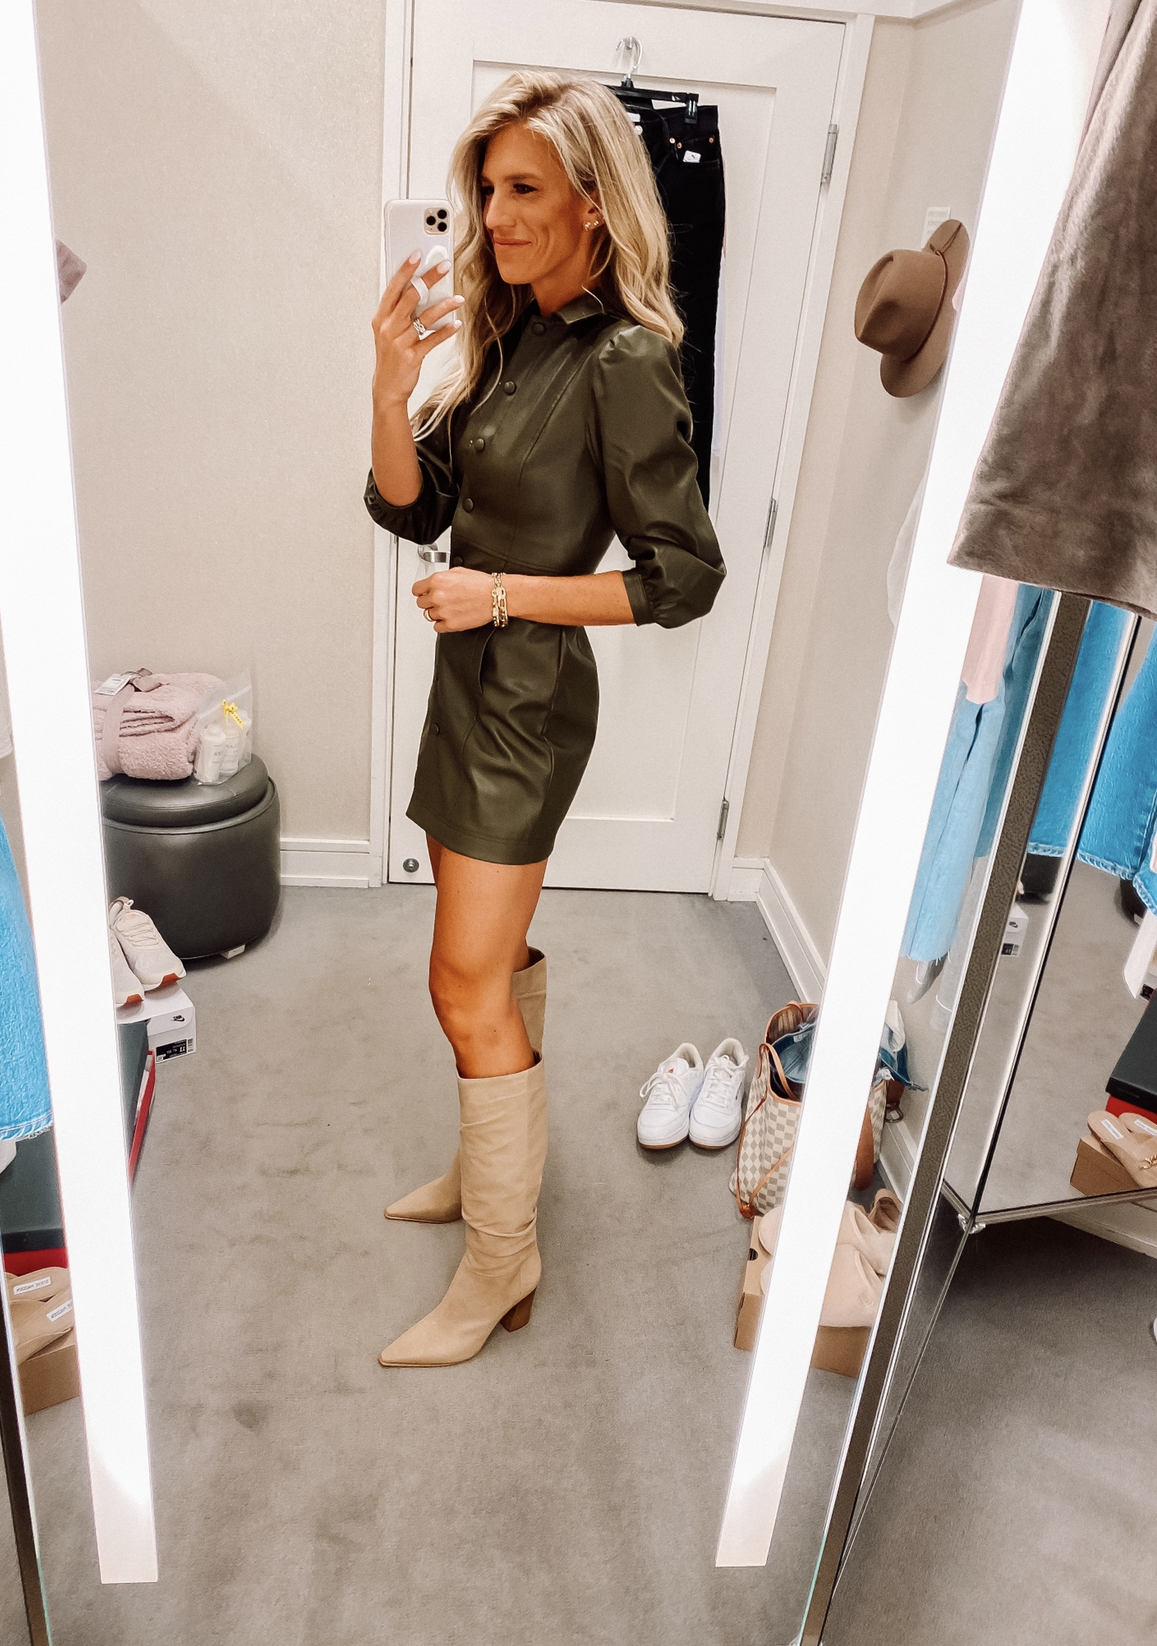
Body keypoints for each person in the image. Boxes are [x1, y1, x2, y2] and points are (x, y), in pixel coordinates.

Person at [366, 72, 724, 1368]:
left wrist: (503, 591)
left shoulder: (624, 360)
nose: (496, 216)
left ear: (593, 203)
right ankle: (489, 1165)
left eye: (523, 189)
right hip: (468, 683)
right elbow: (411, 505)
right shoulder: (510, 336)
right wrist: (391, 379)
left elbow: (684, 576)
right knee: (486, 960)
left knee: (459, 980)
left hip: (525, 701)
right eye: (486, 191)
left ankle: (502, 1254)